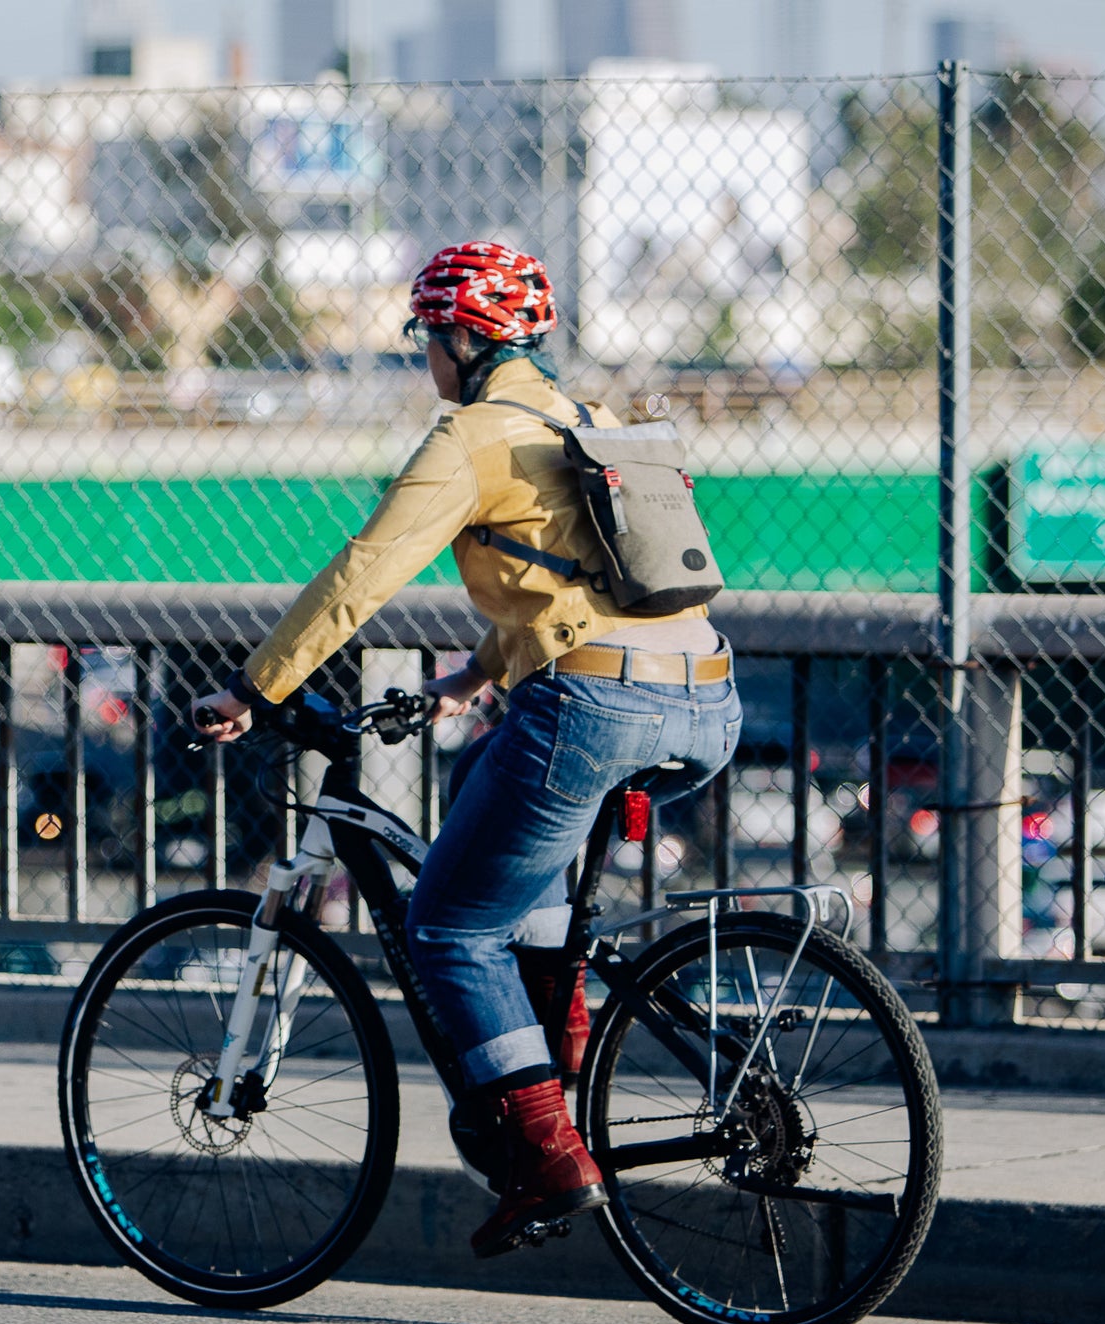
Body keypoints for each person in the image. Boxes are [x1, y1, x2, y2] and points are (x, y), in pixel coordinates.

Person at [195, 241, 741, 1258]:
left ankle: (549, 1156)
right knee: (523, 912)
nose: (425, 359)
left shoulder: (472, 438)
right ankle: (546, 1097)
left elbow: (363, 575)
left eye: (424, 338)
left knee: (446, 928)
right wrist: (479, 672)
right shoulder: (583, 423)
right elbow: (585, 581)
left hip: (594, 705)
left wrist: (254, 685)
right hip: (705, 702)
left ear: (459, 337)